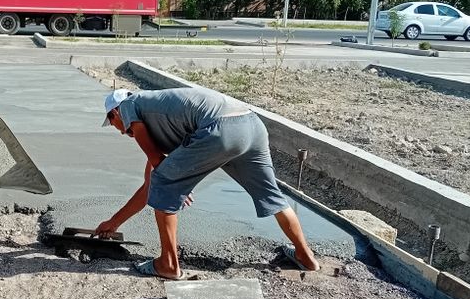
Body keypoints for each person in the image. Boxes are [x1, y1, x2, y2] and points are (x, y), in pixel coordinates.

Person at [95, 87, 320, 279]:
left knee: (165, 185)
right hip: (251, 124)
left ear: (115, 113)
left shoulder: (129, 105)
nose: (121, 131)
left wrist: (178, 185)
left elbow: (160, 174)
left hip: (221, 128)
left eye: (113, 123)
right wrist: (114, 223)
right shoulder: (167, 117)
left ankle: (168, 265)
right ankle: (305, 256)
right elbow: (150, 184)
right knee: (271, 194)